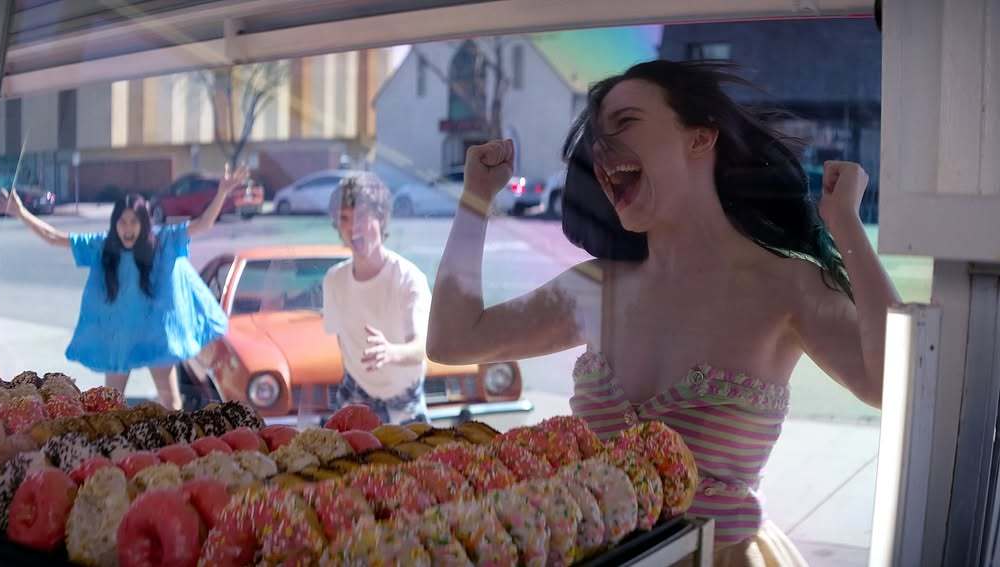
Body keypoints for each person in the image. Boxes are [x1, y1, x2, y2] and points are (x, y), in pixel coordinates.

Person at [427, 60, 899, 566]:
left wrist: (846, 226)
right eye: (597, 138)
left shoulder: (787, 286)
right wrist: (475, 199)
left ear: (700, 138)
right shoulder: (595, 287)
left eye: (626, 121)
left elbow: (890, 385)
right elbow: (453, 340)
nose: (601, 149)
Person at [6, 166, 245, 409]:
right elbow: (54, 237)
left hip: (157, 336)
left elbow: (203, 224)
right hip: (119, 337)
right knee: (111, 403)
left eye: (134, 221)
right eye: (122, 222)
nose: (128, 228)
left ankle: (173, 434)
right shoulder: (103, 245)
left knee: (171, 401)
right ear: (115, 223)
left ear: (144, 223)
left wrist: (222, 192)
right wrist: (21, 213)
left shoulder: (164, 241)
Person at [321, 173, 432, 425]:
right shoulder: (334, 280)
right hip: (355, 400)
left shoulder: (408, 278)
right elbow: (342, 344)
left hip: (405, 408)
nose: (353, 227)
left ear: (381, 218)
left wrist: (390, 352)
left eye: (361, 216)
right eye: (344, 218)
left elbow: (421, 349)